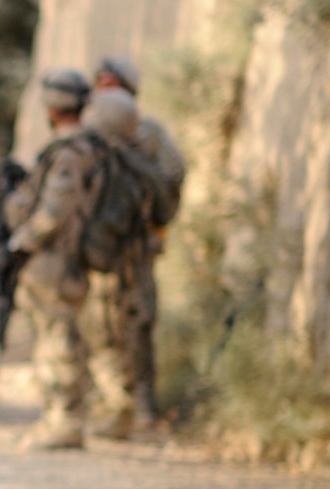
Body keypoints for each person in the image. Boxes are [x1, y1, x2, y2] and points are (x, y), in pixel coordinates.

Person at [92, 56, 188, 436]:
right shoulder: (90, 135)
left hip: (136, 246)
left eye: (113, 84)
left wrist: (154, 221)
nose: (106, 91)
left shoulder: (149, 134)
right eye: (102, 84)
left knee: (139, 322)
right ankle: (115, 406)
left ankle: (143, 409)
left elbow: (173, 179)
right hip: (100, 249)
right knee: (99, 328)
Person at [4, 68, 99, 451]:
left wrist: (21, 242)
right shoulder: (81, 147)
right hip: (61, 258)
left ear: (53, 107)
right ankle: (56, 419)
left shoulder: (69, 153)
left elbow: (55, 210)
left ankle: (66, 422)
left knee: (58, 339)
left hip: (57, 258)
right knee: (52, 338)